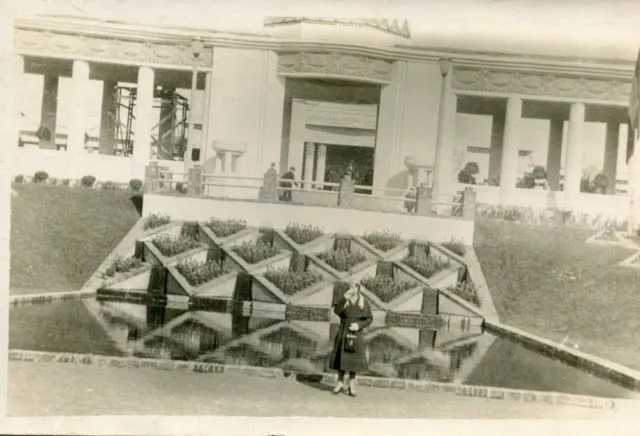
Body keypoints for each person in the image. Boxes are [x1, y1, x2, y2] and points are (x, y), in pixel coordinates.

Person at [330, 282, 373, 397]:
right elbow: (337, 311)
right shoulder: (344, 300)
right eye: (350, 287)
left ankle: (352, 385)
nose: (351, 289)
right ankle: (339, 383)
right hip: (343, 332)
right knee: (341, 359)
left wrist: (358, 325)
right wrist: (344, 299)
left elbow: (369, 319)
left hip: (356, 334)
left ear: (358, 289)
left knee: (353, 360)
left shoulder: (363, 302)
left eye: (354, 287)